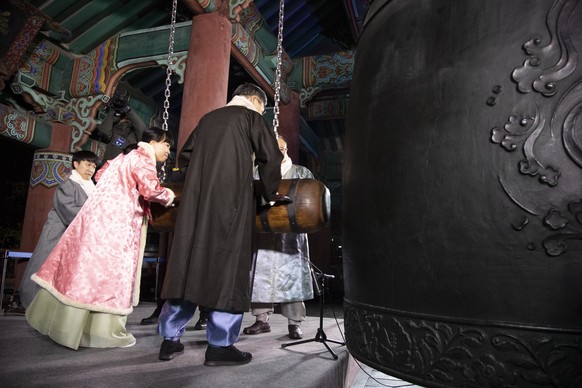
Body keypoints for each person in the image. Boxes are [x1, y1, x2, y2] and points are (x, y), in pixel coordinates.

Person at [157, 83, 283, 365]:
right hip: (232, 202)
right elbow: (271, 156)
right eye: (263, 106)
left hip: (197, 204)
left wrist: (200, 182)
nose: (262, 111)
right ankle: (219, 346)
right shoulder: (251, 117)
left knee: (188, 267)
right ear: (253, 100)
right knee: (228, 267)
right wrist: (268, 193)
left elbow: (185, 158)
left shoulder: (207, 119)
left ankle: (170, 341)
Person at [25, 127, 175, 350]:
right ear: (153, 142)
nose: (168, 151)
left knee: (84, 274)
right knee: (110, 277)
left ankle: (68, 327)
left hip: (97, 222)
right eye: (167, 145)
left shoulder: (122, 157)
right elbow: (150, 189)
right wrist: (169, 196)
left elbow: (100, 175)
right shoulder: (143, 158)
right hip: (116, 226)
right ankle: (101, 332)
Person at [243, 135, 315, 339]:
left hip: (291, 235)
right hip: (264, 232)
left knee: (292, 276)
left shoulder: (301, 171)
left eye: (282, 149)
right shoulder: (258, 171)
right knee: (261, 275)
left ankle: (294, 323)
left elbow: (310, 198)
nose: (280, 153)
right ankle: (261, 319)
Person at [19, 150, 99, 310]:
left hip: (74, 235)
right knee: (43, 266)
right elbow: (67, 209)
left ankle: (50, 307)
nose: (91, 169)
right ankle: (29, 302)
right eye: (87, 164)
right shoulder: (68, 184)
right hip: (57, 232)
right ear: (76, 164)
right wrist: (95, 214)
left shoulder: (91, 187)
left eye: (94, 166)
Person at [93, 88, 146, 162]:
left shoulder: (134, 135)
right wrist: (111, 111)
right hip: (109, 166)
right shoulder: (114, 129)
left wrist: (127, 110)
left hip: (125, 168)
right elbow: (104, 132)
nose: (125, 120)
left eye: (127, 118)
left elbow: (141, 128)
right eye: (123, 118)